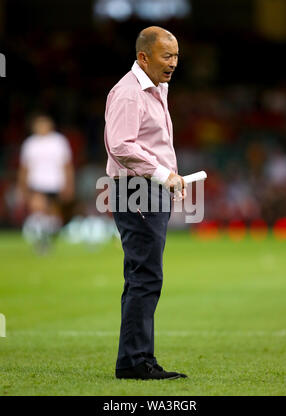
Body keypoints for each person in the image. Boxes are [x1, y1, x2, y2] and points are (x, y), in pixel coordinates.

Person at [104, 26, 187, 380]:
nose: (173, 63)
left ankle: (135, 359)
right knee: (145, 276)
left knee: (142, 276)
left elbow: (150, 142)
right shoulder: (129, 94)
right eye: (166, 56)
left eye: (176, 56)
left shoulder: (156, 88)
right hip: (136, 188)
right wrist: (161, 174)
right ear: (143, 57)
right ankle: (136, 362)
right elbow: (121, 146)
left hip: (146, 187)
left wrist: (169, 176)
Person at [17, 114, 74, 252]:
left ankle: (49, 238)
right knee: (39, 211)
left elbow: (67, 165)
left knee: (53, 215)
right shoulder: (30, 144)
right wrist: (22, 187)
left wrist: (69, 185)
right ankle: (41, 240)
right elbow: (24, 168)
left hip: (55, 183)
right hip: (37, 183)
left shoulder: (59, 142)